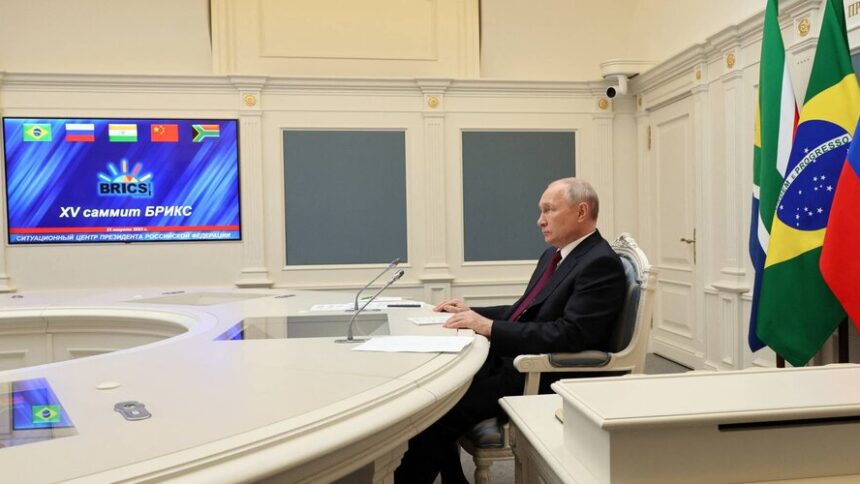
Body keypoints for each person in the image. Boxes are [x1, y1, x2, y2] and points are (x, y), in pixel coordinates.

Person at [394, 177, 627, 483]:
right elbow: (524, 310)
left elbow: (571, 335)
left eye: (549, 210)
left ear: (581, 212)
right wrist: (471, 313)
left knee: (438, 412)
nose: (540, 220)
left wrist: (489, 327)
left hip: (544, 374)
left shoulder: (600, 263)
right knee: (436, 395)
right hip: (517, 360)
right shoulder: (554, 255)